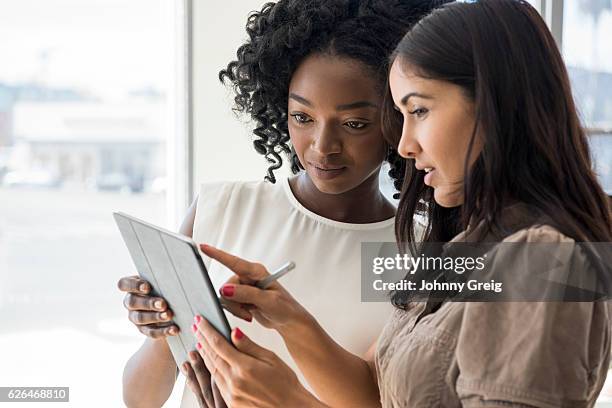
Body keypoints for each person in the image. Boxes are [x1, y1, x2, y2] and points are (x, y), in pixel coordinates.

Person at [191, 1, 612, 407]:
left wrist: (288, 401)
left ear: (494, 105)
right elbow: (377, 390)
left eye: (420, 111)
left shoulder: (544, 263)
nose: (405, 145)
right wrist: (288, 318)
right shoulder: (470, 241)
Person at [117, 1, 447, 407]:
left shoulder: (426, 252)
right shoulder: (221, 209)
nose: (322, 147)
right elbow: (139, 399)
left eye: (354, 124)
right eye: (303, 117)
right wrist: (162, 332)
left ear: (397, 120)